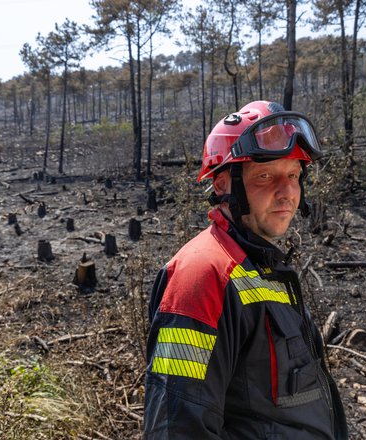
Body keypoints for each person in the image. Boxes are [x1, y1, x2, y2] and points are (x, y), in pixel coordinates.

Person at [144, 101, 347, 439]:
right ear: (224, 184)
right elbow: (177, 428)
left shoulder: (261, 266)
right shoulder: (202, 275)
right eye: (266, 176)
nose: (287, 193)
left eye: (294, 175)